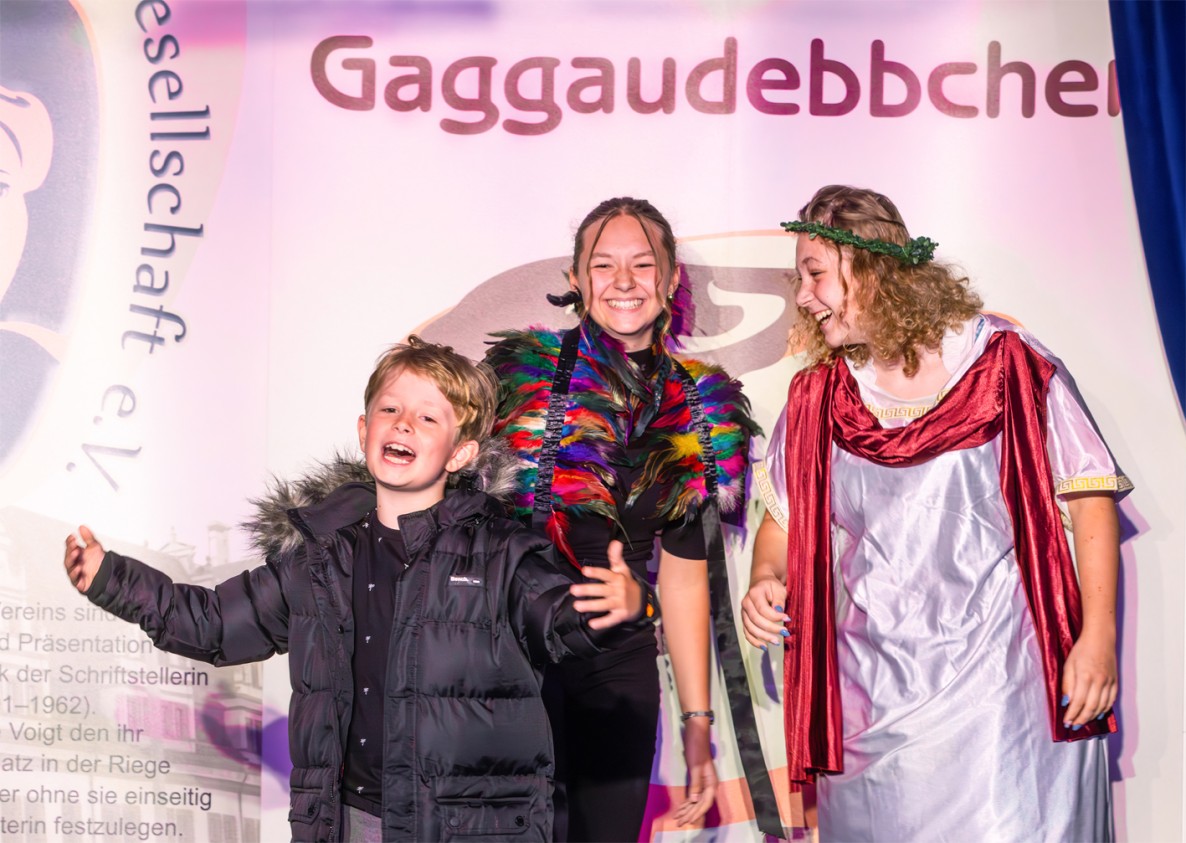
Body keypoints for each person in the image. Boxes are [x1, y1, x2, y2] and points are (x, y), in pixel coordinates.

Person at [63, 336, 657, 843]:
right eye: (390, 409)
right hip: (346, 822)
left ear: (461, 453)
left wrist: (622, 608)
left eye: (428, 417)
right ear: (364, 429)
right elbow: (214, 622)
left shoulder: (501, 553)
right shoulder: (317, 557)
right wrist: (112, 578)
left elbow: (558, 620)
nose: (403, 423)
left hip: (462, 828)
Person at [742, 185, 1126, 841]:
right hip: (872, 706)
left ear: (871, 268)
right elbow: (782, 523)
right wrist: (763, 577)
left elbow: (1088, 498)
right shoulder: (819, 398)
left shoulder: (1005, 365)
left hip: (1006, 693)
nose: (802, 296)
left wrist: (1098, 638)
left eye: (814, 273)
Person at [484, 197, 764, 841]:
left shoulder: (704, 408)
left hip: (618, 666)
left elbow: (684, 580)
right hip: (511, 657)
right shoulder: (519, 379)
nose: (624, 281)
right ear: (577, 278)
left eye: (642, 264)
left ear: (670, 280)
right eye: (603, 264)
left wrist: (698, 724)